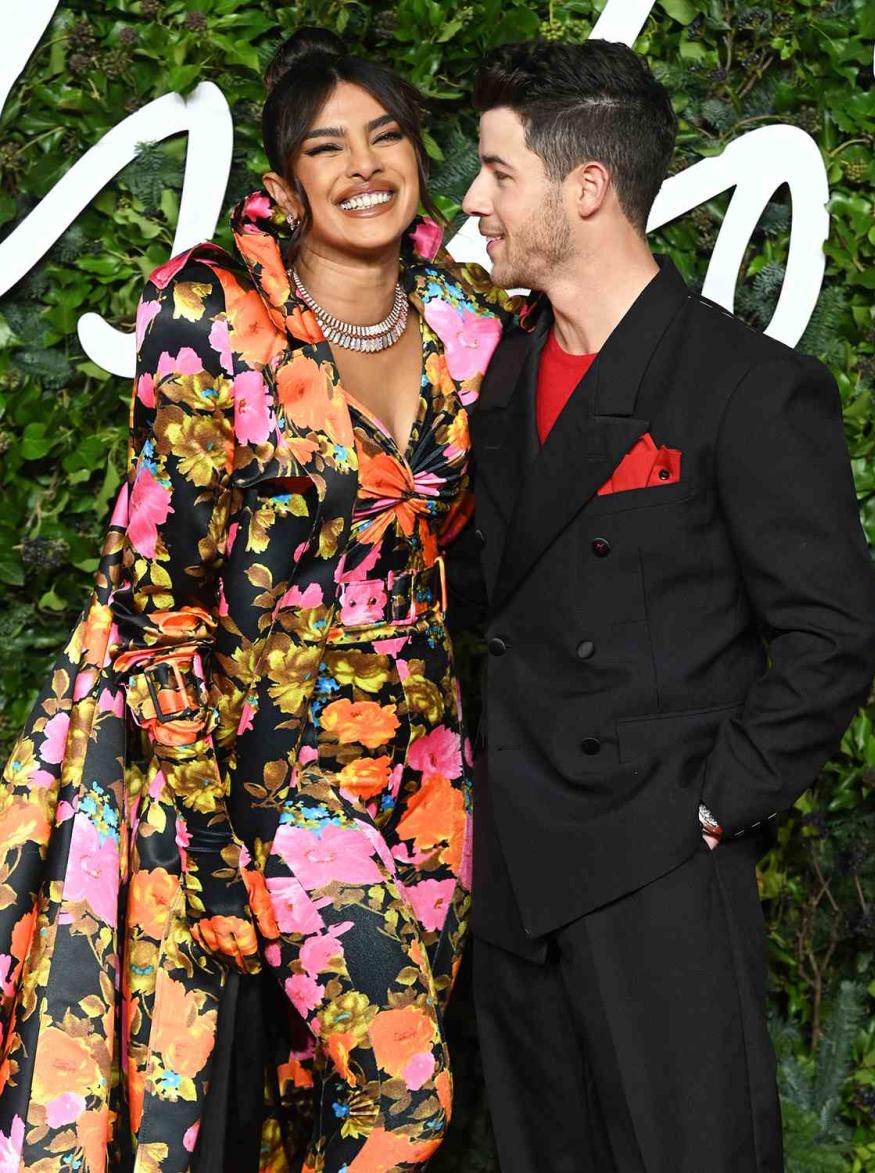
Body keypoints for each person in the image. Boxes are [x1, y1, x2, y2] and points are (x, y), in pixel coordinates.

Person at [0, 27, 513, 1173]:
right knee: (408, 1099)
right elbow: (159, 601)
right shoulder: (213, 315)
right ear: (283, 181)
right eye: (326, 147)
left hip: (427, 776)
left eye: (385, 136)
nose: (363, 166)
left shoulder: (468, 322)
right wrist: (212, 849)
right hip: (276, 780)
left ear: (420, 159)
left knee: (312, 1109)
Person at [459, 38, 875, 1173]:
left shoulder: (743, 384)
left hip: (656, 879)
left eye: (499, 173)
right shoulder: (502, 377)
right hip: (514, 885)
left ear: (584, 188)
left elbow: (832, 632)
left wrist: (709, 810)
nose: (474, 203)